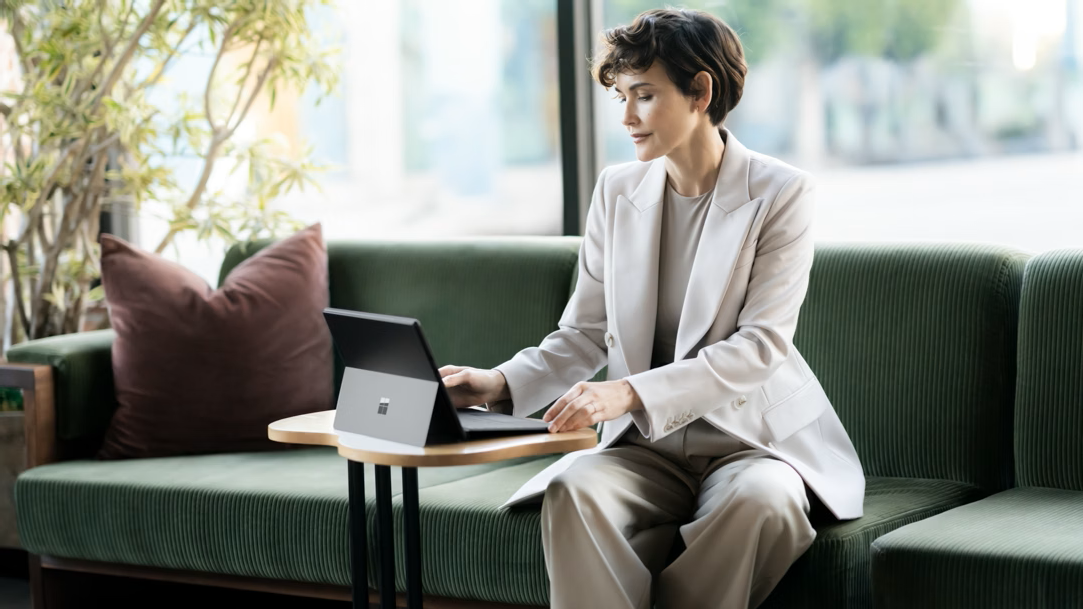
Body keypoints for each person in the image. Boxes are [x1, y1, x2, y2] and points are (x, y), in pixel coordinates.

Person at [438, 8, 865, 609]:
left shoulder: (781, 192)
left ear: (701, 92)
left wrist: (628, 393)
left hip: (752, 443)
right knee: (573, 490)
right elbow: (584, 333)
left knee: (763, 504)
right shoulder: (617, 191)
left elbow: (760, 345)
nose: (626, 117)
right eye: (620, 96)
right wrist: (496, 382)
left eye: (644, 95)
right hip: (644, 450)